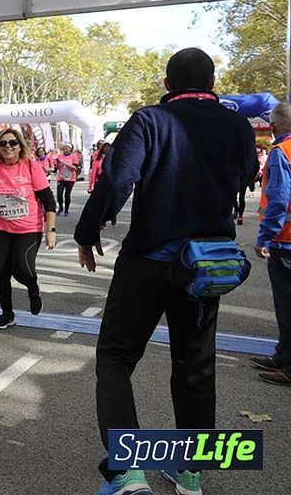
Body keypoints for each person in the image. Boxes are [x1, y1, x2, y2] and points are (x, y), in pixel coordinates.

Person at [75, 48, 258, 495]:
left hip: (149, 260)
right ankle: (190, 470)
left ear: (168, 81)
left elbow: (118, 180)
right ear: (212, 80)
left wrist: (87, 230)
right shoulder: (238, 126)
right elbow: (248, 175)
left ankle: (128, 472)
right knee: (195, 365)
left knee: (116, 358)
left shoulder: (149, 120)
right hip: (206, 264)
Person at [0, 128, 56, 330]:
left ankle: (33, 288)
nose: (8, 147)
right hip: (0, 226)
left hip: (28, 227)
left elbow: (48, 200)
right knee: (0, 272)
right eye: (3, 144)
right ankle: (7, 314)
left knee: (22, 269)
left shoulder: (31, 166)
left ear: (20, 146)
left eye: (12, 143)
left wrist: (51, 230)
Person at [252, 101, 291, 387]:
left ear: (276, 125)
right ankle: (282, 355)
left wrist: (264, 237)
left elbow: (278, 200)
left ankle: (287, 364)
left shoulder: (281, 152)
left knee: (286, 306)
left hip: (285, 240)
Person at [54, 143, 80, 216]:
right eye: (64, 147)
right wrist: (58, 164)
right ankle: (60, 208)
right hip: (61, 177)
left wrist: (65, 163)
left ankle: (66, 210)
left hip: (70, 178)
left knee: (67, 195)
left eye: (67, 147)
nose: (65, 148)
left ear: (70, 148)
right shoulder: (59, 156)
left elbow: (75, 168)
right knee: (59, 193)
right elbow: (57, 167)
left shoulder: (73, 156)